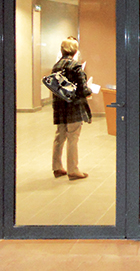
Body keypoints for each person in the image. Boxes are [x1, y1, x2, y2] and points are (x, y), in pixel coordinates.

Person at [51, 37, 93, 181]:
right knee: (73, 137)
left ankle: (57, 167)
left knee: (59, 136)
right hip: (73, 107)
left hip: (59, 106)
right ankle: (73, 170)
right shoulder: (75, 66)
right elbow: (83, 90)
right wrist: (90, 89)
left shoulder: (56, 66)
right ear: (75, 51)